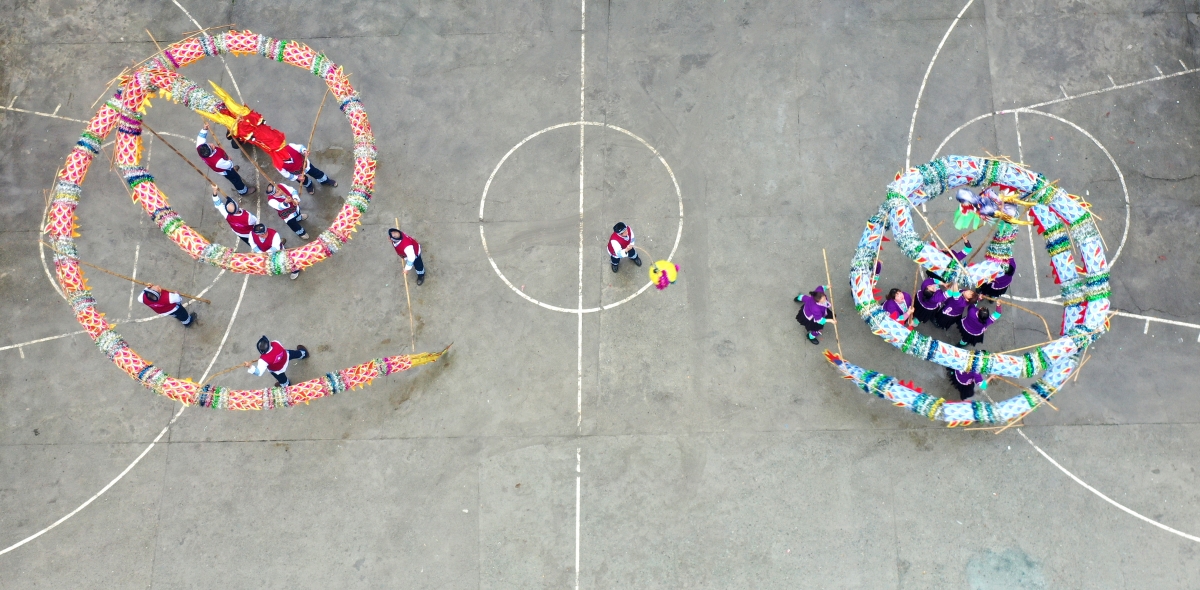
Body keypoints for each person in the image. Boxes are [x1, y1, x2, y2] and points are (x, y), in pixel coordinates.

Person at [196, 123, 254, 196]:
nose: (212, 145)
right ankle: (243, 191)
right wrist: (229, 160)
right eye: (212, 147)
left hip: (223, 163)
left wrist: (204, 129)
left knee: (231, 170)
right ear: (211, 153)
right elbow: (228, 165)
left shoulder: (200, 147)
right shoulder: (217, 161)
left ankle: (233, 170)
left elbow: (201, 137)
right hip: (226, 170)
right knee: (236, 179)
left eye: (209, 144)